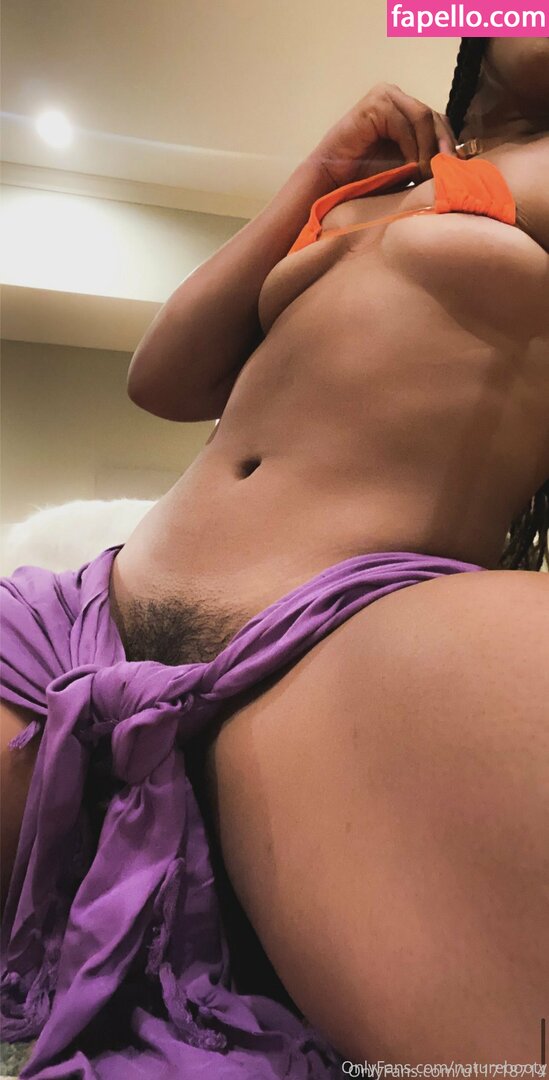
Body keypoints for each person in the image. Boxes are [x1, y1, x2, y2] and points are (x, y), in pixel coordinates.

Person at [1, 37, 548, 1073]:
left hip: (340, 640)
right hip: (94, 612)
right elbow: (162, 376)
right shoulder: (371, 187)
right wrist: (319, 173)